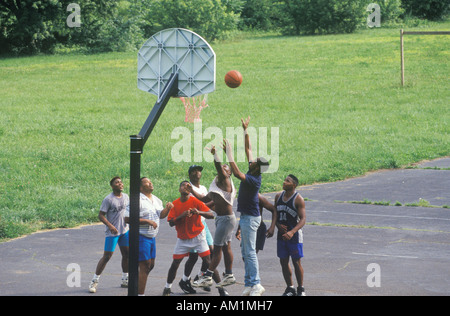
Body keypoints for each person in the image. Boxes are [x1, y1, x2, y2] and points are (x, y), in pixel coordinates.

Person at [223, 116, 270, 296]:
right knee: (245, 250)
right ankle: (250, 284)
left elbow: (236, 172)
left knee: (250, 252)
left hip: (251, 219)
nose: (252, 160)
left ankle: (256, 284)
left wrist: (229, 154)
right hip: (246, 217)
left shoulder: (253, 179)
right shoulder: (254, 169)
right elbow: (248, 148)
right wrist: (245, 130)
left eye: (255, 161)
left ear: (258, 168)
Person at [190, 145, 237, 294]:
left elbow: (218, 166)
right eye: (223, 167)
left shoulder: (225, 180)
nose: (223, 168)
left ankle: (207, 276)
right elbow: (204, 199)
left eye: (226, 168)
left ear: (228, 173)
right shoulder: (217, 185)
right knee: (226, 247)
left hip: (225, 220)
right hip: (224, 219)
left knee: (216, 251)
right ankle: (229, 274)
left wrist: (216, 154)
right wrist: (191, 190)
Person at [163, 181, 220, 296]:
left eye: (188, 186)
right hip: (183, 239)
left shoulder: (195, 201)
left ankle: (222, 289)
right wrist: (182, 215)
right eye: (183, 185)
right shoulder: (175, 204)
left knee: (208, 262)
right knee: (175, 264)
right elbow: (170, 222)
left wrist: (199, 212)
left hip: (198, 237)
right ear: (179, 190)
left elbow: (211, 215)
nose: (186, 187)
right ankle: (167, 288)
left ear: (190, 190)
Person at [124, 177, 173, 296]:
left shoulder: (156, 199)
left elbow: (160, 215)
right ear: (140, 187)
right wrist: (147, 221)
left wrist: (167, 209)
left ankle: (136, 280)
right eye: (147, 182)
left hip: (152, 237)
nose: (150, 183)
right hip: (141, 236)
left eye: (150, 181)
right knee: (145, 265)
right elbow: (127, 218)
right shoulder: (136, 200)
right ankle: (140, 294)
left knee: (150, 265)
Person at [89, 176, 130, 294]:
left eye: (121, 182)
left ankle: (125, 279)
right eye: (117, 182)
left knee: (126, 254)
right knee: (107, 256)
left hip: (124, 231)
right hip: (113, 233)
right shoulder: (108, 199)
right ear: (112, 186)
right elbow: (101, 215)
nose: (120, 184)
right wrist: (110, 226)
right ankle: (94, 281)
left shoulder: (126, 197)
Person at [180, 165, 215, 295]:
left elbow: (204, 204)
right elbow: (199, 204)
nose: (197, 172)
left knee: (211, 252)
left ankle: (201, 276)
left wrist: (211, 203)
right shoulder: (188, 188)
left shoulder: (203, 188)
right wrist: (210, 203)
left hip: (203, 224)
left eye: (199, 170)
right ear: (189, 174)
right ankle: (184, 280)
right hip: (193, 225)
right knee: (194, 256)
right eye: (194, 171)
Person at [275, 174, 306, 296]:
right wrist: (277, 225)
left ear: (293, 185)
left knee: (296, 262)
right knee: (283, 261)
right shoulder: (278, 196)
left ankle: (301, 289)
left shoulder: (298, 199)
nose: (284, 182)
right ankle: (290, 288)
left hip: (294, 236)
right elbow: (275, 215)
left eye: (287, 181)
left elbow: (303, 219)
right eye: (284, 180)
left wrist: (292, 231)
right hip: (281, 236)